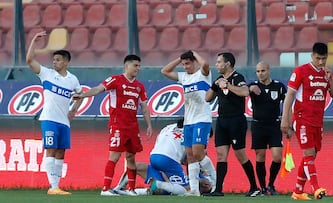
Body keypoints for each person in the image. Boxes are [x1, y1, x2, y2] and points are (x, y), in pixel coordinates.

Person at [72, 54, 153, 196]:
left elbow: (144, 107)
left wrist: (149, 125)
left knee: (131, 158)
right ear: (126, 66)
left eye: (139, 66)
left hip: (132, 127)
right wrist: (83, 95)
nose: (138, 68)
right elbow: (98, 89)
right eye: (135, 65)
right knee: (114, 156)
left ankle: (131, 189)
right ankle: (105, 188)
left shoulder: (139, 86)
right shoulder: (115, 80)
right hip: (118, 125)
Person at [26, 31, 84, 195]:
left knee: (61, 151)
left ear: (66, 62)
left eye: (58, 60)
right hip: (49, 119)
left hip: (64, 121)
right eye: (54, 60)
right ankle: (52, 187)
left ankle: (57, 186)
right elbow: (29, 60)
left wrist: (74, 110)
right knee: (50, 149)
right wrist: (33, 42)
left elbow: (80, 94)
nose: (54, 62)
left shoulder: (72, 79)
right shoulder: (47, 74)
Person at [280, 42, 333, 200]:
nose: (321, 62)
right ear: (312, 56)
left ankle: (298, 191)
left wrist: (331, 80)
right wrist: (285, 118)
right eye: (318, 58)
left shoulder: (326, 73)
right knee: (308, 154)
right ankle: (316, 188)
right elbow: (289, 96)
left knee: (310, 157)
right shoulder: (301, 71)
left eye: (324, 59)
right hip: (302, 119)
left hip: (317, 121)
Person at [161, 50, 216, 196]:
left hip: (202, 119)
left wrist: (194, 53)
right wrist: (180, 58)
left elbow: (205, 64)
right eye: (183, 64)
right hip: (188, 122)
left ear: (194, 62)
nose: (185, 67)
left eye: (187, 63)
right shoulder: (183, 77)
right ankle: (194, 190)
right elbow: (165, 71)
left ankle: (215, 181)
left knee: (198, 153)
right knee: (190, 156)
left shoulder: (203, 75)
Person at [204, 52, 259, 197]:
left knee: (240, 154)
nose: (216, 65)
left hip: (236, 120)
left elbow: (245, 92)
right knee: (221, 155)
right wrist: (216, 85)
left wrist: (227, 84)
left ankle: (254, 187)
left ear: (227, 64)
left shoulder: (237, 77)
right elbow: (207, 98)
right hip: (222, 120)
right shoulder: (219, 79)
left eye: (219, 62)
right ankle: (218, 190)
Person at [113, 119, 213, 196]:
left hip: (154, 156)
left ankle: (119, 189)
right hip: (169, 160)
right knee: (186, 189)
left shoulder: (168, 127)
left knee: (163, 189)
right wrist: (201, 178)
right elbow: (191, 159)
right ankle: (159, 185)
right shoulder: (193, 131)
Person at [248, 61, 287, 196]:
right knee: (260, 156)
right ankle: (263, 187)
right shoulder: (253, 86)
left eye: (263, 71)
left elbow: (287, 104)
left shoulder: (279, 86)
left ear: (269, 71)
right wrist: (249, 89)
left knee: (277, 156)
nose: (260, 74)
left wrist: (287, 122)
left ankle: (271, 184)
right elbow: (241, 92)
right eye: (258, 71)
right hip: (258, 125)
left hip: (274, 125)